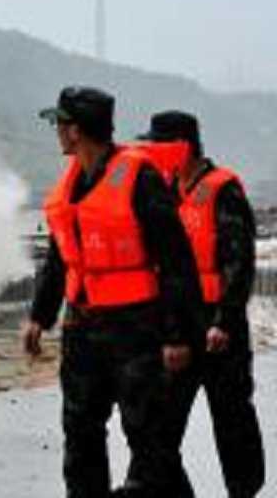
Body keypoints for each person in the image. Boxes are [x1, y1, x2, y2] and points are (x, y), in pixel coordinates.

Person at [22, 86, 203, 497]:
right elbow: (60, 257)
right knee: (80, 432)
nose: (57, 132)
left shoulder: (139, 179)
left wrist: (177, 335)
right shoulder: (71, 186)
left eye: (61, 124)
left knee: (149, 440)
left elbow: (176, 261)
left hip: (136, 328)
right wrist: (39, 316)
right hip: (82, 328)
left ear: (76, 132)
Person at [139, 110, 265, 498]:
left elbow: (239, 262)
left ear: (182, 147)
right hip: (180, 328)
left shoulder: (222, 189)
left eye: (157, 145)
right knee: (158, 428)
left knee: (233, 423)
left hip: (218, 329)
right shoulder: (164, 191)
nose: (150, 152)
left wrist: (225, 320)